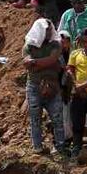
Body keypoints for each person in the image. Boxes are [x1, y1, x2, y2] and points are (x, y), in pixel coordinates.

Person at [23, 18, 68, 155]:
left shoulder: (55, 45)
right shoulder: (29, 45)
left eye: (49, 30)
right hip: (34, 86)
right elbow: (26, 64)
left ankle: (60, 147)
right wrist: (45, 64)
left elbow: (52, 60)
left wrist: (35, 63)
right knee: (35, 117)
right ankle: (37, 146)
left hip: (52, 86)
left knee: (57, 117)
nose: (48, 32)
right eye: (45, 30)